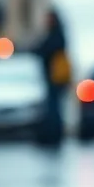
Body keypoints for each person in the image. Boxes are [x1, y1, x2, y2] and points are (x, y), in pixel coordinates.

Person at [34, 8, 71, 146]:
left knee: (54, 107)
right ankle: (54, 133)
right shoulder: (56, 34)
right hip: (54, 77)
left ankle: (54, 134)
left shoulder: (56, 35)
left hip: (55, 78)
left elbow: (45, 49)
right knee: (54, 106)